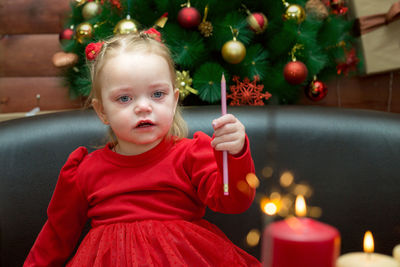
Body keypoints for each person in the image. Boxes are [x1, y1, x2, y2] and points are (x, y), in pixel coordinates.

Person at [24, 30, 260, 266]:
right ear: (102, 111)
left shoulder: (192, 154)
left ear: (174, 99)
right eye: (125, 98)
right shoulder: (84, 170)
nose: (143, 107)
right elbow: (56, 237)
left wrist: (234, 154)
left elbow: (234, 202)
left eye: (157, 94)